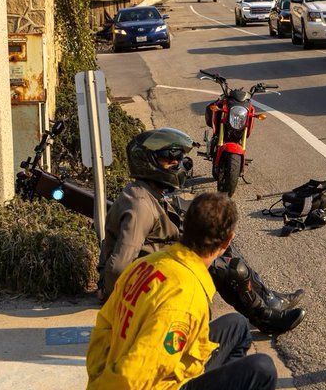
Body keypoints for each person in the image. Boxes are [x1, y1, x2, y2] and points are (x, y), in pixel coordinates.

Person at [82, 192, 281, 390]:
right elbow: (135, 371)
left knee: (237, 328)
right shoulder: (184, 298)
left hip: (143, 388)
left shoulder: (149, 264)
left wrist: (94, 387)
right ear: (226, 241)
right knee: (262, 371)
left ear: (184, 227)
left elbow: (103, 328)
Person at [97, 128, 305, 335]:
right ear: (148, 161)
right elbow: (119, 266)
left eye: (179, 158)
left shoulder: (147, 192)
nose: (177, 164)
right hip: (153, 278)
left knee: (217, 241)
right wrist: (115, 304)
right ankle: (264, 318)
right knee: (222, 266)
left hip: (159, 263)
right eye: (170, 158)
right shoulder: (140, 205)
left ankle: (268, 299)